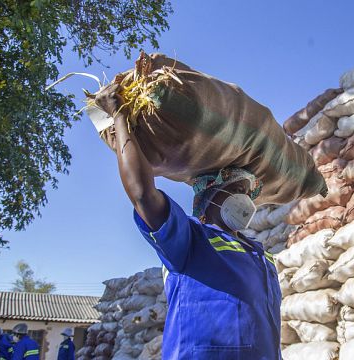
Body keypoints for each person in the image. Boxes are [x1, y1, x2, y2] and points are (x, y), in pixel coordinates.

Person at [95, 84, 281, 359]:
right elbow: (143, 194)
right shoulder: (190, 239)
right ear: (208, 195)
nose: (246, 200)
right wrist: (119, 115)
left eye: (247, 193)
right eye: (237, 190)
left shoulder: (261, 255)